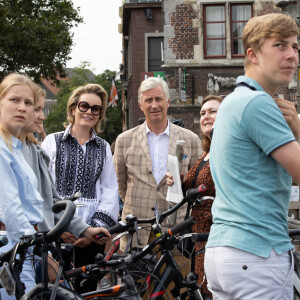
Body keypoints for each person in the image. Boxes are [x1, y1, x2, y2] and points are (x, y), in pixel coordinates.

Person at [204, 13, 300, 299]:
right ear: (252, 54)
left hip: (225, 252)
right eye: (280, 45)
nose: (292, 55)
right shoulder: (257, 103)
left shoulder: (233, 101)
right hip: (257, 255)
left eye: (296, 46)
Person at [113, 77, 201, 295]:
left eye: (159, 99)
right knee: (137, 293)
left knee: (175, 292)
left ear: (168, 102)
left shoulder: (190, 140)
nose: (154, 105)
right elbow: (121, 185)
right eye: (148, 100)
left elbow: (197, 182)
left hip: (176, 231)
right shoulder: (124, 140)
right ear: (141, 105)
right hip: (137, 232)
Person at [42, 83, 119, 293]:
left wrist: (91, 232)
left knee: (87, 291)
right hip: (57, 232)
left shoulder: (103, 147)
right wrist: (62, 226)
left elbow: (110, 190)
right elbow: (43, 188)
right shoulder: (52, 141)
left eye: (96, 108)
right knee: (57, 291)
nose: (89, 112)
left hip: (93, 235)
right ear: (74, 108)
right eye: (84, 106)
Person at [167, 94, 222, 299]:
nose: (206, 116)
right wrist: (178, 181)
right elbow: (194, 186)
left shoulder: (227, 149)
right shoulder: (205, 152)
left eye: (213, 111)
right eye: (202, 113)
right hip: (199, 238)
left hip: (217, 236)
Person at [0, 73, 44, 299]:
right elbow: (9, 207)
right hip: (12, 249)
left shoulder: (15, 148)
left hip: (22, 248)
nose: (22, 108)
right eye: (14, 100)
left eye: (28, 103)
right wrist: (35, 245)